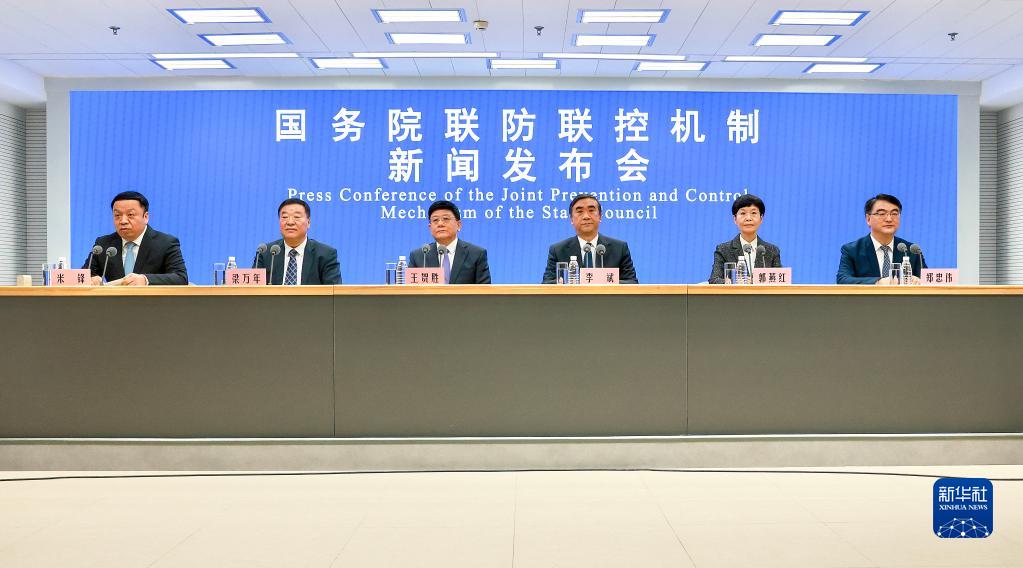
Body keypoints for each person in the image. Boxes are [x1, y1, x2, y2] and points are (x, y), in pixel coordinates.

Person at [84, 191, 188, 285]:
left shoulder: (166, 243)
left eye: (130, 215)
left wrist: (145, 280)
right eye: (117, 215)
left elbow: (180, 277)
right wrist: (91, 279)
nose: (123, 221)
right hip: (113, 300)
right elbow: (83, 275)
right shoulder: (103, 244)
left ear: (146, 217)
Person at [542, 194, 638, 284]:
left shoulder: (619, 248)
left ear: (600, 216)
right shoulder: (558, 250)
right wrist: (576, 281)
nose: (586, 217)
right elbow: (547, 284)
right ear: (571, 219)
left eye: (591, 210)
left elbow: (632, 283)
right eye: (580, 212)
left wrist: (601, 282)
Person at [837, 193, 926, 285]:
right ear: (868, 219)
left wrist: (918, 280)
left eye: (894, 214)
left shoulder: (911, 250)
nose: (889, 219)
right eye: (882, 214)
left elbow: (929, 280)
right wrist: (878, 282)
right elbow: (843, 280)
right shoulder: (852, 250)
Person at [255, 198, 341, 285]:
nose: (290, 222)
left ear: (308, 222)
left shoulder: (325, 254)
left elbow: (334, 291)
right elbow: (253, 287)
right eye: (284, 217)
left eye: (297, 217)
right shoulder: (266, 253)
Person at [408, 200, 491, 284]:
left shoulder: (476, 254)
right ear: (430, 227)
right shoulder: (419, 256)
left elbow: (484, 290)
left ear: (458, 225)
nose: (440, 224)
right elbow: (410, 290)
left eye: (446, 219)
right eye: (435, 220)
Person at [708, 194, 782, 283]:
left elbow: (780, 281)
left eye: (753, 213)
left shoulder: (772, 250)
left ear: (761, 218)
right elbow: (714, 280)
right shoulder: (723, 250)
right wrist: (735, 282)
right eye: (743, 213)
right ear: (735, 219)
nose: (748, 218)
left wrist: (755, 281)